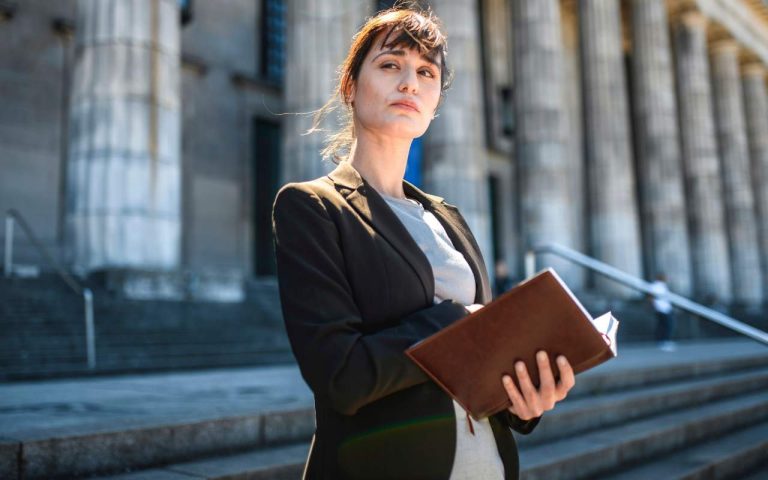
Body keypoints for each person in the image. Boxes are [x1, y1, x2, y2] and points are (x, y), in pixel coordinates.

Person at [272, 5, 575, 479]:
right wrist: (459, 323)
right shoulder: (313, 207)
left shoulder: (447, 217)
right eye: (390, 64)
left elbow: (480, 368)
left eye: (426, 72)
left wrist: (525, 398)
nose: (410, 82)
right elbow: (341, 377)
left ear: (434, 103)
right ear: (350, 88)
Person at [649, 273, 676, 351]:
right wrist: (655, 307)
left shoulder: (663, 285)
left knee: (664, 325)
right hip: (661, 308)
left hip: (666, 308)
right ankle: (663, 341)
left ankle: (664, 341)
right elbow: (651, 297)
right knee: (666, 325)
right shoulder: (655, 286)